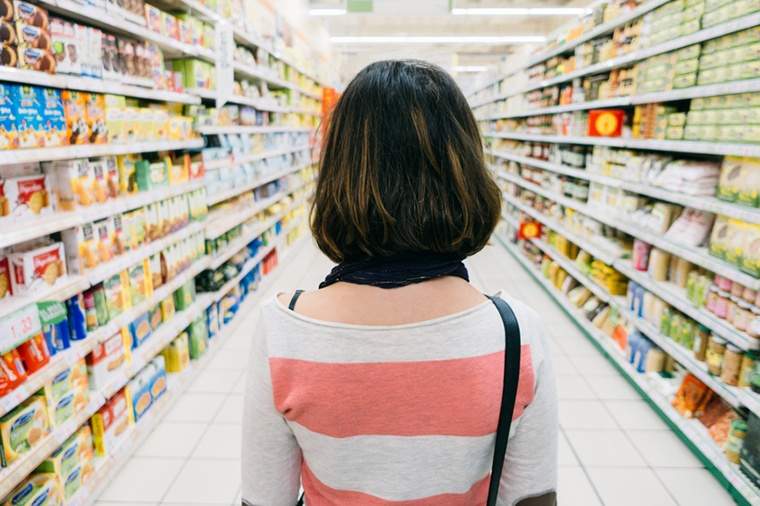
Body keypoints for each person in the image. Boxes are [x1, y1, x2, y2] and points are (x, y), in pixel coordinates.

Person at [241, 60, 558, 506]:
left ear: (338, 174)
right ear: (465, 172)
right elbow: (532, 499)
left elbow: (262, 499)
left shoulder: (283, 329)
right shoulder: (516, 333)